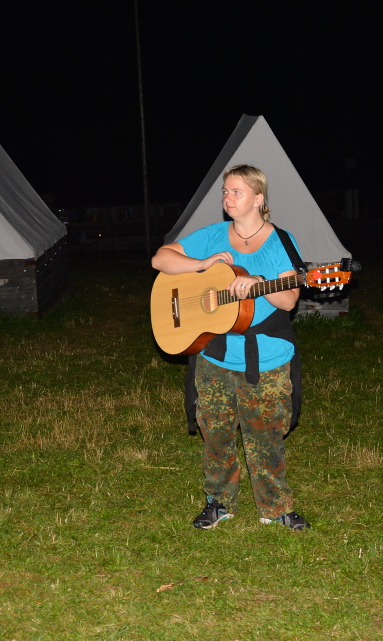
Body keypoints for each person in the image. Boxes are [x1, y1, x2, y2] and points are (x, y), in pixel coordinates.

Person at [151, 164, 309, 531]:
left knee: (266, 438)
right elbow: (160, 259)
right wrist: (202, 264)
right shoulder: (213, 235)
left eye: (237, 191)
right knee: (216, 434)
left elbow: (289, 300)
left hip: (266, 357)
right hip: (215, 356)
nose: (227, 198)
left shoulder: (281, 241)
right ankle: (218, 502)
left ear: (258, 199)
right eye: (225, 191)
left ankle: (276, 507)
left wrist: (258, 281)